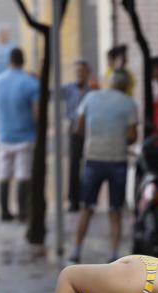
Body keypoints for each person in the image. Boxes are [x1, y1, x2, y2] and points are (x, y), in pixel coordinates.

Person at [69, 69, 138, 264]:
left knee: (86, 208)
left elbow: (78, 127)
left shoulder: (91, 97)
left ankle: (76, 250)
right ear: (126, 86)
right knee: (115, 210)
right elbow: (132, 136)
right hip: (117, 161)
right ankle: (113, 254)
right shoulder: (129, 103)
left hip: (93, 159)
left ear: (110, 82)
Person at [0, 47, 40, 222]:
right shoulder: (30, 83)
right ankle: (23, 213)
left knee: (4, 174)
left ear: (9, 61)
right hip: (25, 136)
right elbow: (36, 112)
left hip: (4, 136)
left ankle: (4, 212)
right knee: (23, 175)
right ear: (23, 61)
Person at [62, 59, 96, 213]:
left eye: (83, 71)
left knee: (90, 166)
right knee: (74, 166)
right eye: (77, 71)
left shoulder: (93, 91)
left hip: (90, 132)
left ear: (88, 73)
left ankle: (88, 200)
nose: (80, 74)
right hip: (75, 131)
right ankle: (73, 201)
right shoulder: (69, 88)